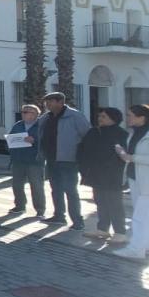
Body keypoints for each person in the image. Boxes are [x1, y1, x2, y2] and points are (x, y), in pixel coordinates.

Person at [112, 104, 149, 260]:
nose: (128, 118)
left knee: (141, 216)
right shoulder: (135, 133)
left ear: (142, 117)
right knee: (148, 216)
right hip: (136, 179)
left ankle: (136, 249)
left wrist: (132, 158)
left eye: (131, 115)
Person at [37, 91, 91, 229]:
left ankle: (78, 221)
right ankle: (59, 216)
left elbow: (87, 134)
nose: (47, 104)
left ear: (60, 102)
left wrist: (81, 154)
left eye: (50, 101)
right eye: (46, 102)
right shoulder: (46, 117)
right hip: (51, 159)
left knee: (71, 191)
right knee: (55, 189)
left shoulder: (74, 116)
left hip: (68, 160)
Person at [78, 107, 129, 242]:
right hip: (95, 173)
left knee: (114, 203)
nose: (100, 119)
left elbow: (122, 154)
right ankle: (102, 229)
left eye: (104, 116)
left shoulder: (121, 134)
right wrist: (83, 167)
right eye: (99, 116)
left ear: (113, 118)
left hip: (112, 174)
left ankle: (120, 232)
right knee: (100, 202)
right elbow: (83, 149)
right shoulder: (94, 131)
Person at [7, 104, 47, 218]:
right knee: (17, 185)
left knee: (36, 186)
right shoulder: (18, 125)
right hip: (18, 160)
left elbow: (47, 142)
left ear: (35, 114)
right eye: (23, 112)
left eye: (26, 112)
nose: (23, 114)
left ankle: (40, 210)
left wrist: (35, 141)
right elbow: (11, 139)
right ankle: (20, 206)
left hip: (35, 161)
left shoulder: (41, 126)